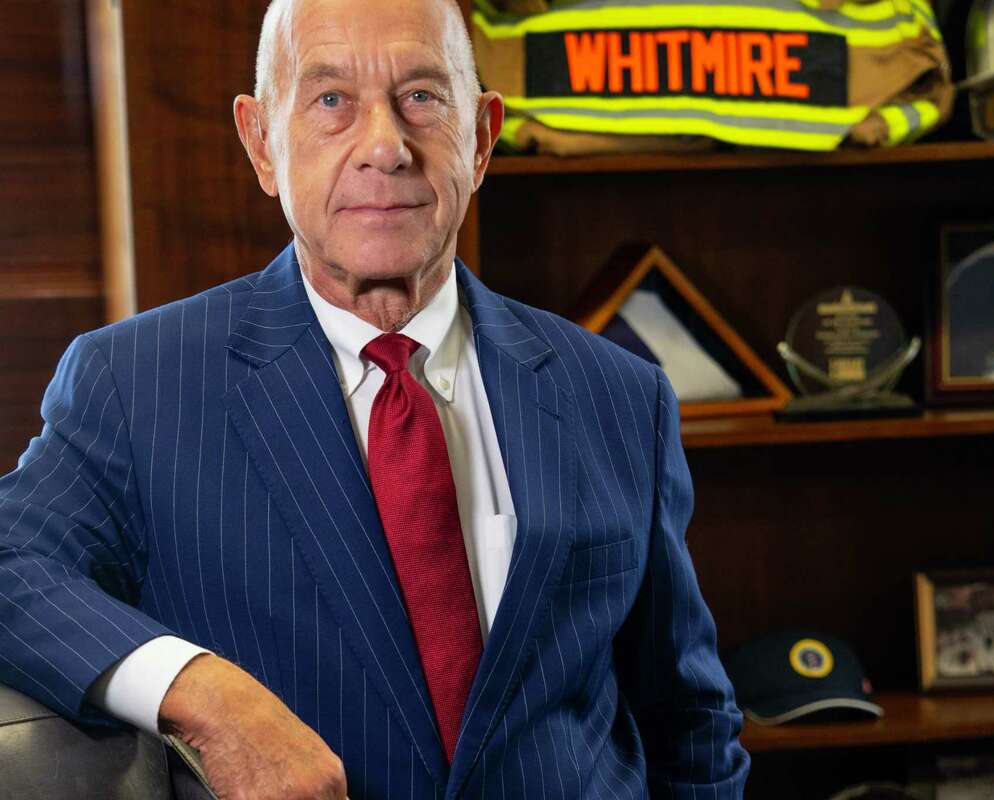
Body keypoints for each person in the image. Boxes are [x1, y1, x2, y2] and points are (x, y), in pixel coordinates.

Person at [0, 0, 750, 796]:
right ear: (261, 142)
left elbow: (688, 721)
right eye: (331, 101)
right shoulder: (138, 381)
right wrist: (205, 695)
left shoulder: (620, 395)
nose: (386, 147)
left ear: (483, 135)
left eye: (422, 97)